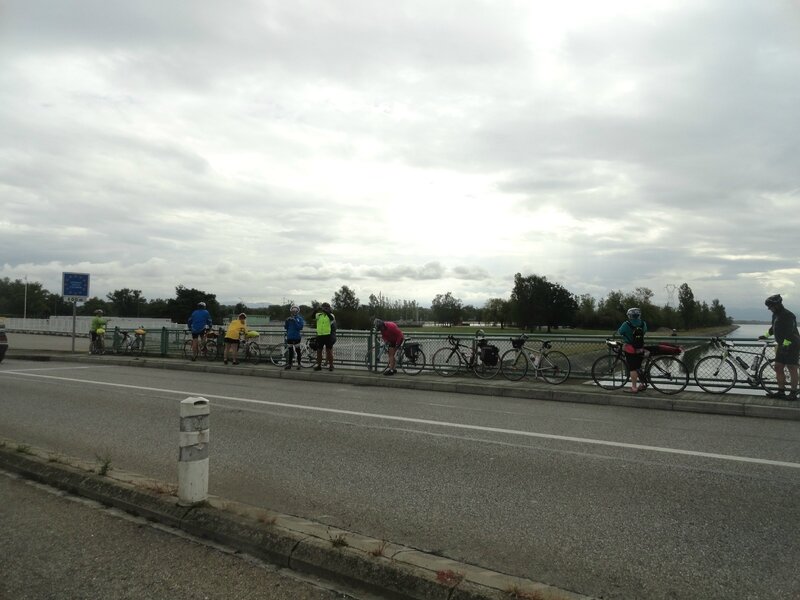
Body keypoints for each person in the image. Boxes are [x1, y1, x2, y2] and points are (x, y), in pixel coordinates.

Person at [760, 294, 799, 400]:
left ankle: (793, 393)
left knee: (792, 368)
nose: (769, 309)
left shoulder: (788, 315)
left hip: (792, 345)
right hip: (782, 345)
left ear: (777, 305)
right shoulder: (775, 315)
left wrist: (786, 345)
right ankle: (781, 391)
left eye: (771, 307)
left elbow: (790, 332)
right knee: (778, 367)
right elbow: (773, 328)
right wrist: (766, 335)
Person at [618, 307, 648, 393]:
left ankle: (634, 388)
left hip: (630, 348)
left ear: (629, 315)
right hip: (640, 347)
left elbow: (620, 332)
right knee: (639, 366)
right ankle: (642, 384)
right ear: (639, 315)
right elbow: (644, 331)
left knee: (633, 368)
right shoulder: (643, 323)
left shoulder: (626, 324)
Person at [313, 302, 336, 371]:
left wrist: (326, 312)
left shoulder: (331, 315)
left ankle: (331, 365)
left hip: (327, 335)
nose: (325, 309)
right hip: (320, 335)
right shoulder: (319, 315)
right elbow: (312, 316)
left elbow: (332, 319)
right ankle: (319, 365)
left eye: (327, 308)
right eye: (324, 307)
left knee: (329, 351)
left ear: (329, 308)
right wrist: (316, 310)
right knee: (319, 351)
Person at [284, 306, 305, 370]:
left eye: (295, 311)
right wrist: (286, 321)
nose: (294, 312)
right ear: (291, 311)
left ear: (297, 311)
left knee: (298, 351)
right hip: (289, 337)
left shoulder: (300, 318)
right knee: (290, 351)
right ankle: (289, 364)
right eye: (293, 311)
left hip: (296, 337)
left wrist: (295, 321)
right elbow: (286, 327)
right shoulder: (289, 318)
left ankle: (299, 364)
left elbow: (300, 327)